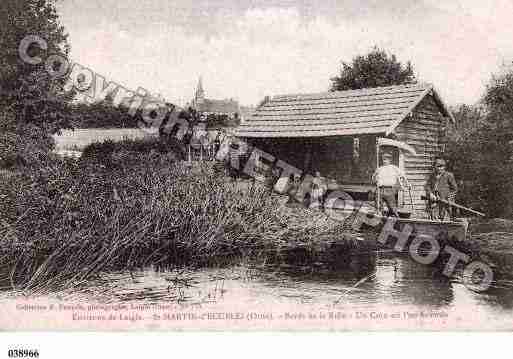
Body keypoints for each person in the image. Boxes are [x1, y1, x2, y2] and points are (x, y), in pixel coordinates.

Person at [372, 151, 408, 217]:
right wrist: (375, 179)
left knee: (392, 207)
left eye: (386, 159)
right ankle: (380, 217)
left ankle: (397, 219)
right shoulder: (379, 169)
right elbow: (373, 178)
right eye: (383, 159)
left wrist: (407, 184)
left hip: (389, 190)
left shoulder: (394, 168)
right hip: (380, 189)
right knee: (378, 205)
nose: (384, 161)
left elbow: (403, 175)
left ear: (390, 160)